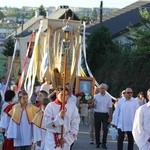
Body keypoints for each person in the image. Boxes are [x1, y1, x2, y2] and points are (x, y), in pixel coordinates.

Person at [93, 83, 112, 149]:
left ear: (106, 89)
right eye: (101, 88)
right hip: (97, 114)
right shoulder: (95, 96)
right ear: (99, 89)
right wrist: (93, 103)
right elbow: (92, 106)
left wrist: (110, 117)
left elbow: (110, 107)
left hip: (105, 114)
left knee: (105, 129)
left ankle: (104, 144)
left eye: (103, 88)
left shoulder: (108, 97)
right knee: (97, 130)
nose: (102, 90)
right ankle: (98, 143)